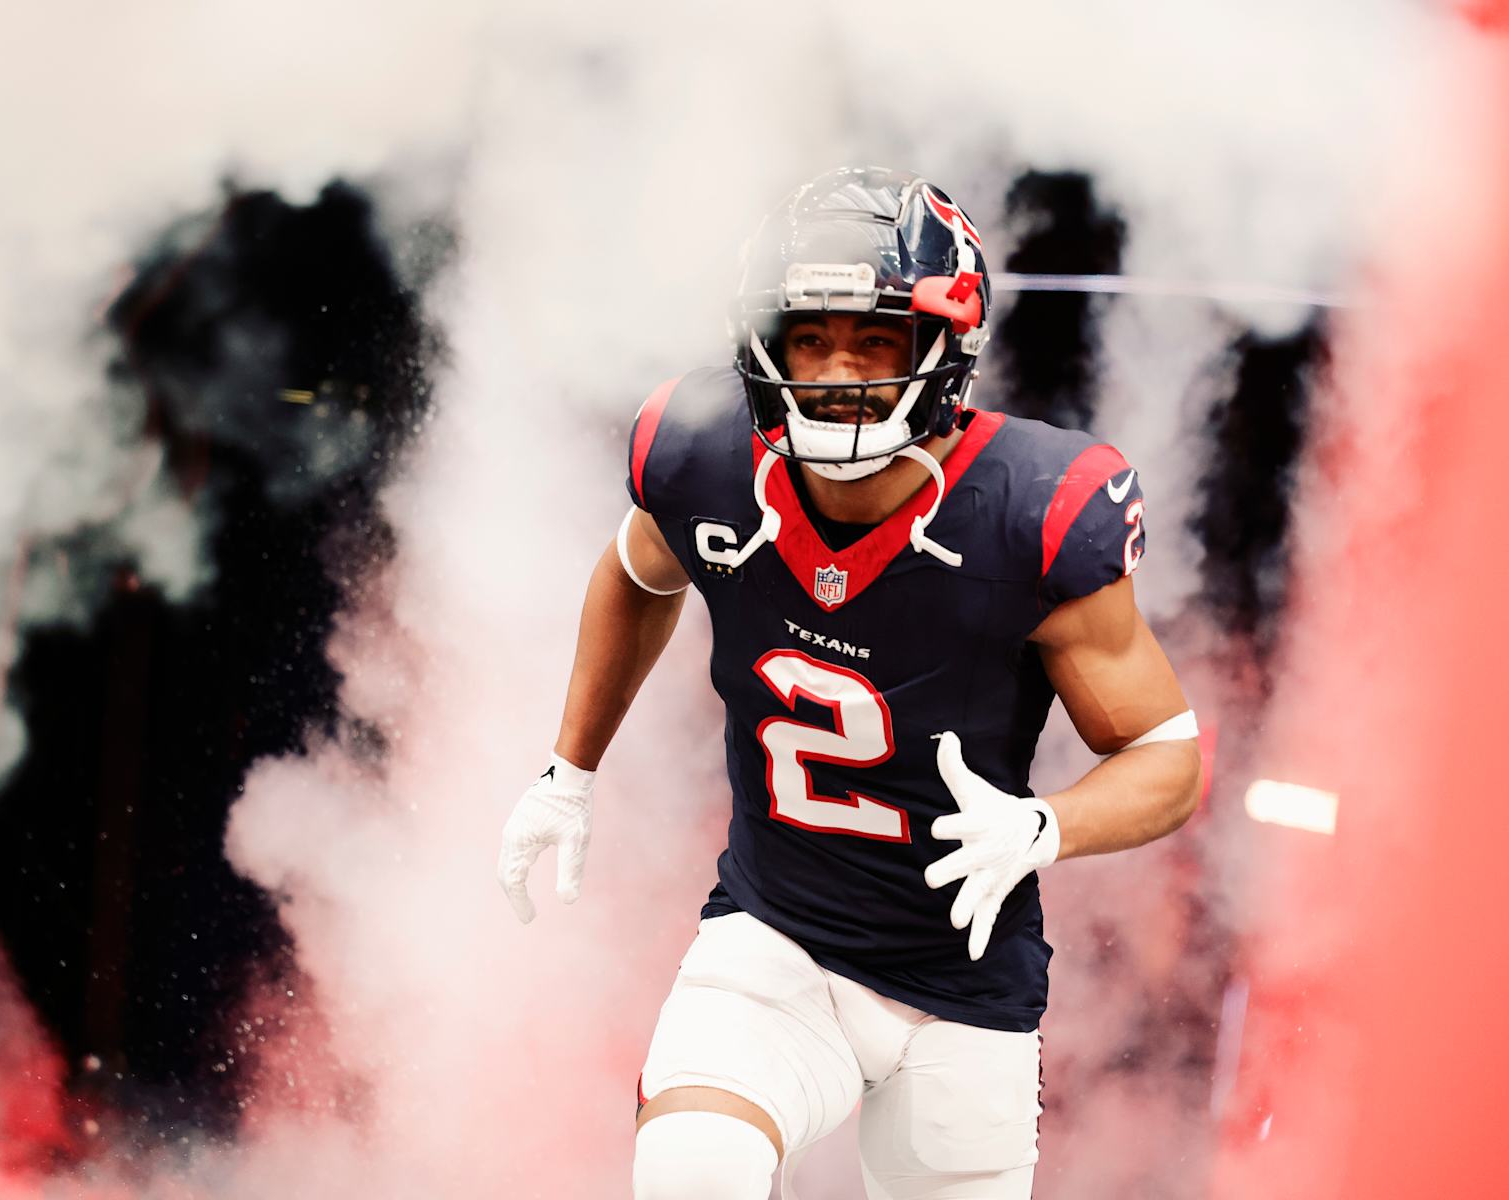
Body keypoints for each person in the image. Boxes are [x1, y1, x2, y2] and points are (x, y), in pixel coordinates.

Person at [496, 166, 1202, 1200]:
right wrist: (570, 769)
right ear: (761, 343)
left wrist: (1045, 828)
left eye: (874, 341)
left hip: (963, 979)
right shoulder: (700, 456)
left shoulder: (1032, 509)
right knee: (691, 1170)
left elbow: (1167, 754)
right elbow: (638, 572)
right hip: (774, 935)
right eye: (810, 337)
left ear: (942, 349)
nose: (837, 371)